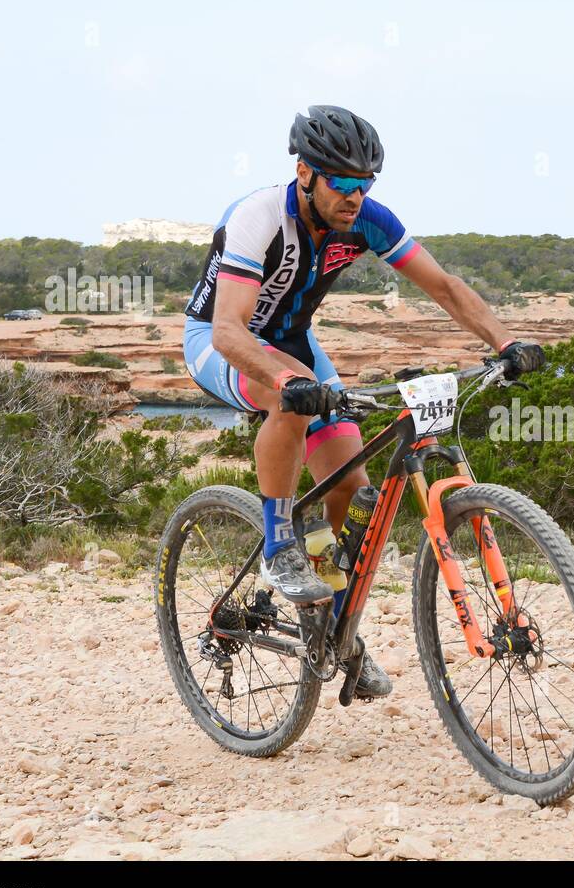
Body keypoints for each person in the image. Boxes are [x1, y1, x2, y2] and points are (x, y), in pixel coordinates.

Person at [182, 105, 544, 697]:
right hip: (220, 341)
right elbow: (228, 331)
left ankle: (333, 632)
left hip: (295, 346)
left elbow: (445, 287)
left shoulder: (368, 221)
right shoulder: (258, 218)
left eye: (365, 184)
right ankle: (277, 544)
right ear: (305, 172)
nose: (355, 196)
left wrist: (505, 341)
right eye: (342, 184)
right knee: (289, 397)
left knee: (352, 488)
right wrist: (286, 382)